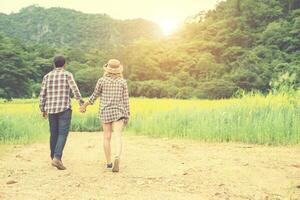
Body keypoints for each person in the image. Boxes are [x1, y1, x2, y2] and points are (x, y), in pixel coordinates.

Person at [80, 59, 130, 173]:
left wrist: (85, 105)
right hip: (119, 111)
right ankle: (117, 157)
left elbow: (94, 96)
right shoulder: (123, 82)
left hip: (105, 111)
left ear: (107, 69)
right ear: (119, 70)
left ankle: (108, 163)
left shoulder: (101, 81)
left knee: (107, 137)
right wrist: (127, 115)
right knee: (118, 136)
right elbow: (126, 100)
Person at [39, 56, 84, 170]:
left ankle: (53, 157)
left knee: (53, 133)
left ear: (54, 64)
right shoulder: (67, 74)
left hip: (51, 109)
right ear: (65, 64)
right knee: (62, 134)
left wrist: (42, 109)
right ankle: (57, 158)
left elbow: (42, 94)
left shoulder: (47, 76)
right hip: (64, 108)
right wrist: (81, 103)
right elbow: (75, 90)